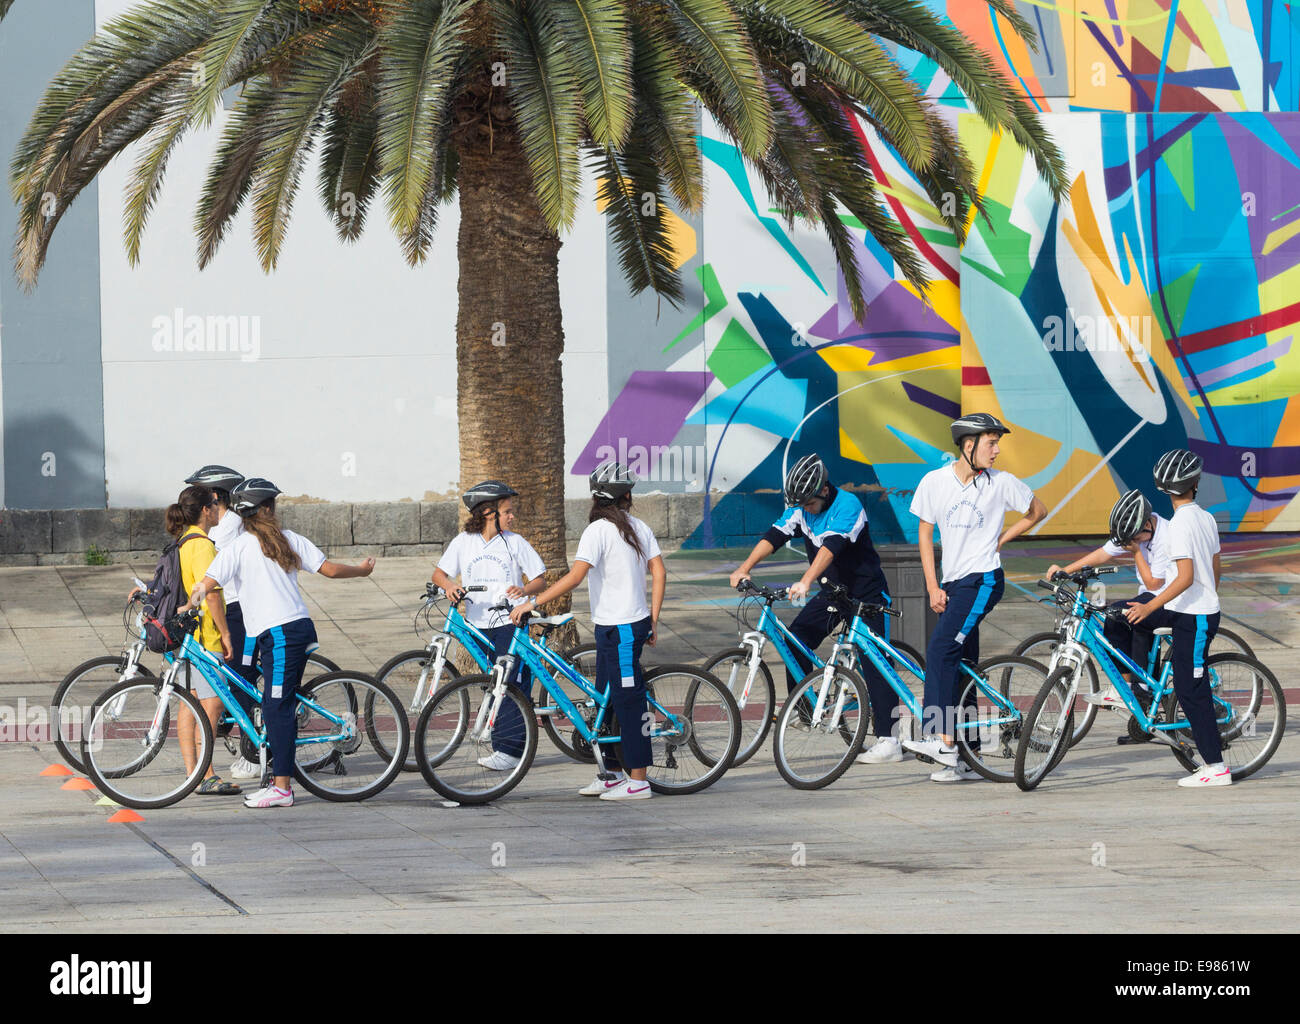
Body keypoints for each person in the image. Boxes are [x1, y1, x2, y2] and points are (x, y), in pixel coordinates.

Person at [182, 478, 376, 808]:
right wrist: (359, 570)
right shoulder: (275, 541)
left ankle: (283, 787)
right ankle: (269, 768)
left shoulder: (250, 545)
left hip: (284, 633)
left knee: (276, 707)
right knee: (263, 696)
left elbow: (206, 584)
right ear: (268, 509)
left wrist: (189, 603)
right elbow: (328, 570)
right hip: (278, 633)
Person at [727, 453, 900, 765]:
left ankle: (890, 740)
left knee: (875, 662)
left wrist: (806, 581)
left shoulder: (847, 506)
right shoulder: (801, 507)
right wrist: (744, 567)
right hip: (833, 594)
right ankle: (806, 710)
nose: (803, 509)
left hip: (866, 595)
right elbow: (775, 536)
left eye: (807, 503)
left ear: (822, 491)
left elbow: (830, 548)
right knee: (796, 640)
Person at [510, 461, 665, 801]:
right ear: (625, 497)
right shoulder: (635, 526)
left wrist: (532, 601)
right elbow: (659, 572)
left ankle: (638, 780)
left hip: (624, 628)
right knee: (604, 699)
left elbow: (575, 577)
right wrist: (652, 618)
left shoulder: (601, 530)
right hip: (614, 627)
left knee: (629, 701)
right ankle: (610, 774)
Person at [907, 413, 1046, 781]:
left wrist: (1001, 539)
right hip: (952, 584)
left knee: (940, 650)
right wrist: (933, 585)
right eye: (991, 443)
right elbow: (924, 533)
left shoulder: (1001, 483)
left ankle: (943, 742)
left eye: (998, 443)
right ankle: (966, 756)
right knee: (962, 662)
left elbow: (1038, 511)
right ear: (968, 446)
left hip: (982, 580)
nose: (997, 450)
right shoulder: (934, 482)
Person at [1122, 450, 1230, 787]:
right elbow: (1214, 569)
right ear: (1195, 484)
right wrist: (1206, 593)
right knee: (1186, 686)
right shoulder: (1207, 518)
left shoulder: (1181, 524)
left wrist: (1150, 607)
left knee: (1191, 689)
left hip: (1195, 617)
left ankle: (1216, 766)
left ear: (1162, 489)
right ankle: (1210, 759)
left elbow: (1184, 577)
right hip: (1195, 611)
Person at [431, 480, 548, 771]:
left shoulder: (515, 542)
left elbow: (540, 580)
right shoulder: (463, 542)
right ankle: (511, 742)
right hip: (476, 623)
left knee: (506, 683)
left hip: (509, 621)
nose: (512, 517)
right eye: (507, 511)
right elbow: (439, 574)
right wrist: (449, 586)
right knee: (493, 683)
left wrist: (524, 589)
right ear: (487, 513)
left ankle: (508, 751)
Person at [1046, 489, 1171, 729]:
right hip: (1148, 597)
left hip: (1167, 599)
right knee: (1113, 618)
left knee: (1130, 616)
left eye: (1133, 539)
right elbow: (1103, 554)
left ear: (1148, 524)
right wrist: (1066, 570)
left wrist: (1135, 553)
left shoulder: (1167, 537)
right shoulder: (1134, 530)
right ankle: (1127, 692)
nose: (1129, 543)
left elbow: (1155, 583)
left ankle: (1139, 690)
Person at [184, 465, 262, 779]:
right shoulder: (211, 529)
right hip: (226, 609)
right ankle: (203, 769)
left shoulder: (226, 527)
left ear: (215, 498)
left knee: (240, 679)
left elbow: (210, 585)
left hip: (238, 610)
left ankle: (255, 753)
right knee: (223, 684)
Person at [166, 484, 240, 795]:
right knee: (211, 706)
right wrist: (225, 634)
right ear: (205, 511)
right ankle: (206, 774)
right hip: (206, 636)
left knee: (190, 705)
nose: (218, 507)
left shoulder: (183, 543)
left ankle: (192, 773)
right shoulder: (204, 546)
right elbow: (210, 595)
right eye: (214, 503)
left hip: (188, 637)